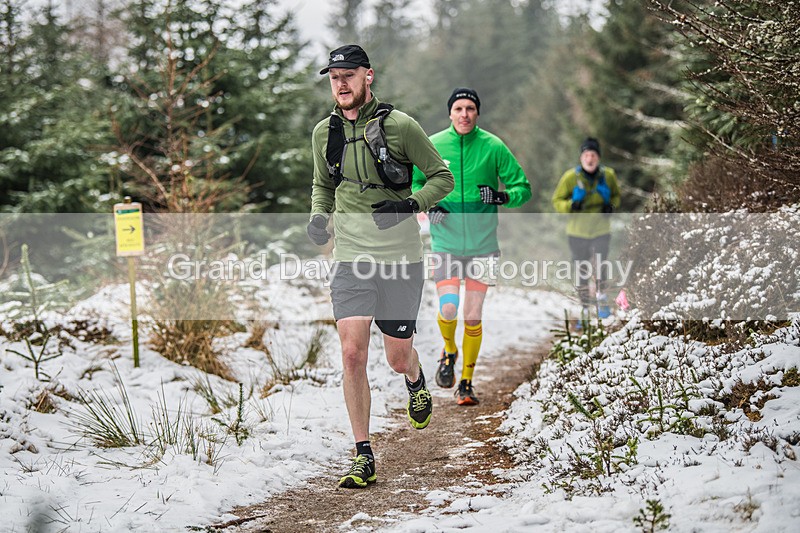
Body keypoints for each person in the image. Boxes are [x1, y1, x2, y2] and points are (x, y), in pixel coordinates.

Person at [308, 44, 454, 489]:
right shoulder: (323, 133)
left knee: (394, 357)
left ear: (368, 76)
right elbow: (322, 185)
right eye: (334, 77)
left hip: (400, 259)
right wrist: (319, 216)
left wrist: (409, 205)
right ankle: (363, 453)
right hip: (351, 256)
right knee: (352, 352)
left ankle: (414, 375)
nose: (341, 84)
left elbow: (442, 179)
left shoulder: (400, 126)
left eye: (349, 75)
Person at [411, 87, 531, 406]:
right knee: (448, 309)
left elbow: (522, 187)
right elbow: (415, 183)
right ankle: (449, 350)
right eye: (459, 109)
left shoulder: (493, 146)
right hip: (446, 243)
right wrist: (428, 204)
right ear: (450, 113)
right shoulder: (434, 145)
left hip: (483, 246)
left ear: (477, 113)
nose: (464, 114)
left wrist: (503, 196)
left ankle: (466, 381)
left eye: (470, 109)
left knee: (473, 316)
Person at [551, 137, 621, 320]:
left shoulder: (608, 176)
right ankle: (584, 307)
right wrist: (570, 206)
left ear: (598, 158)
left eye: (593, 155)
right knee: (581, 268)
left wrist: (611, 206)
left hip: (600, 228)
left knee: (601, 263)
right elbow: (557, 201)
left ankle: (602, 298)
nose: (590, 159)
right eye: (586, 155)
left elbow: (617, 196)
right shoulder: (570, 177)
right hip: (577, 230)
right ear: (581, 158)